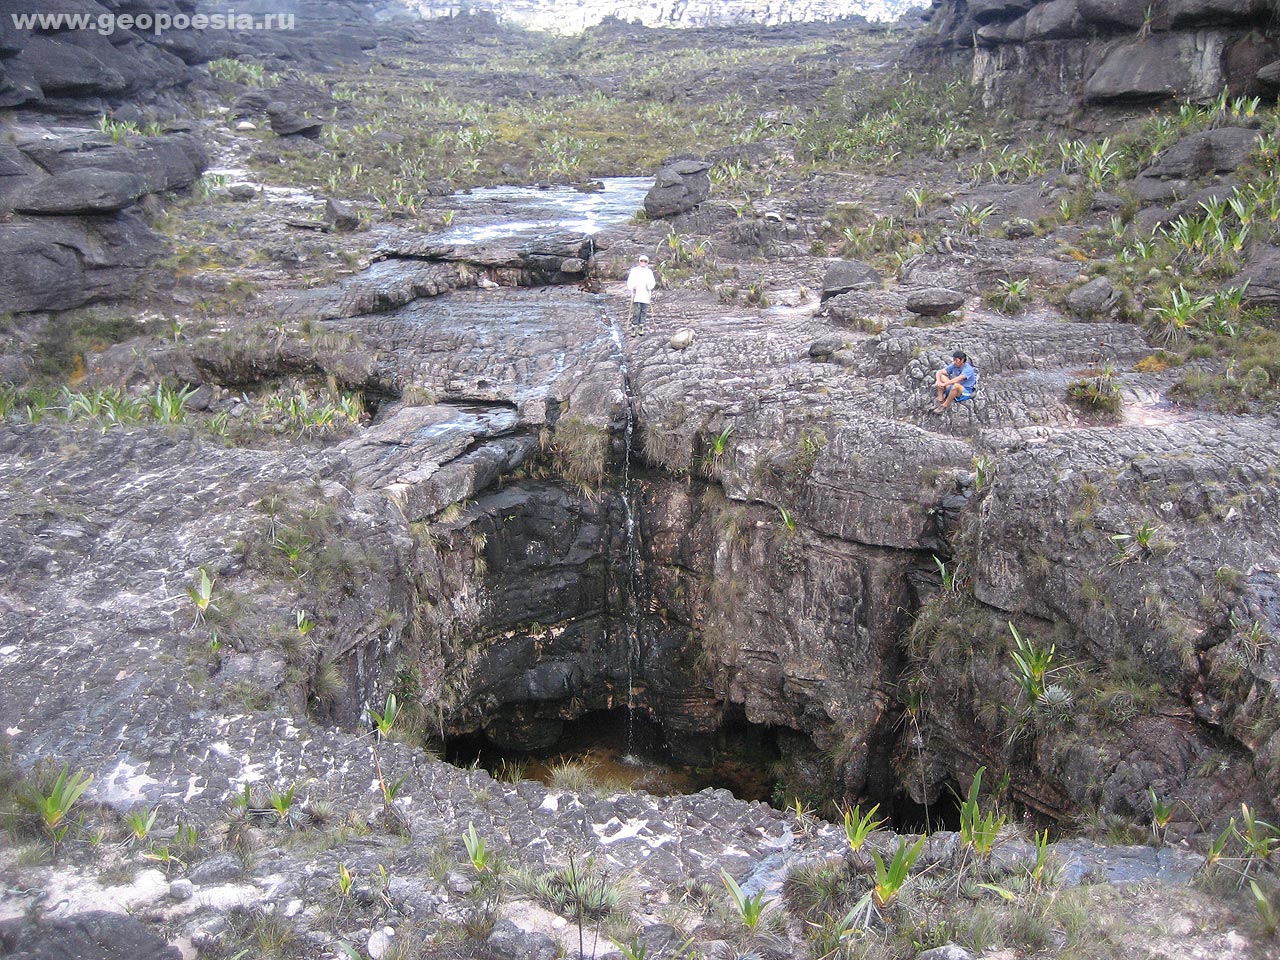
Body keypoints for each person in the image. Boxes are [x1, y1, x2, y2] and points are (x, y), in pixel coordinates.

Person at [626, 254, 656, 335]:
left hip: (646, 295)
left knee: (644, 311)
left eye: (645, 261)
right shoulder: (634, 271)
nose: (643, 262)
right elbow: (630, 281)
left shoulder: (649, 272)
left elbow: (652, 282)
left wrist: (649, 286)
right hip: (636, 295)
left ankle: (641, 327)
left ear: (647, 262)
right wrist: (633, 287)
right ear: (639, 261)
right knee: (636, 312)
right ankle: (634, 327)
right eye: (641, 261)